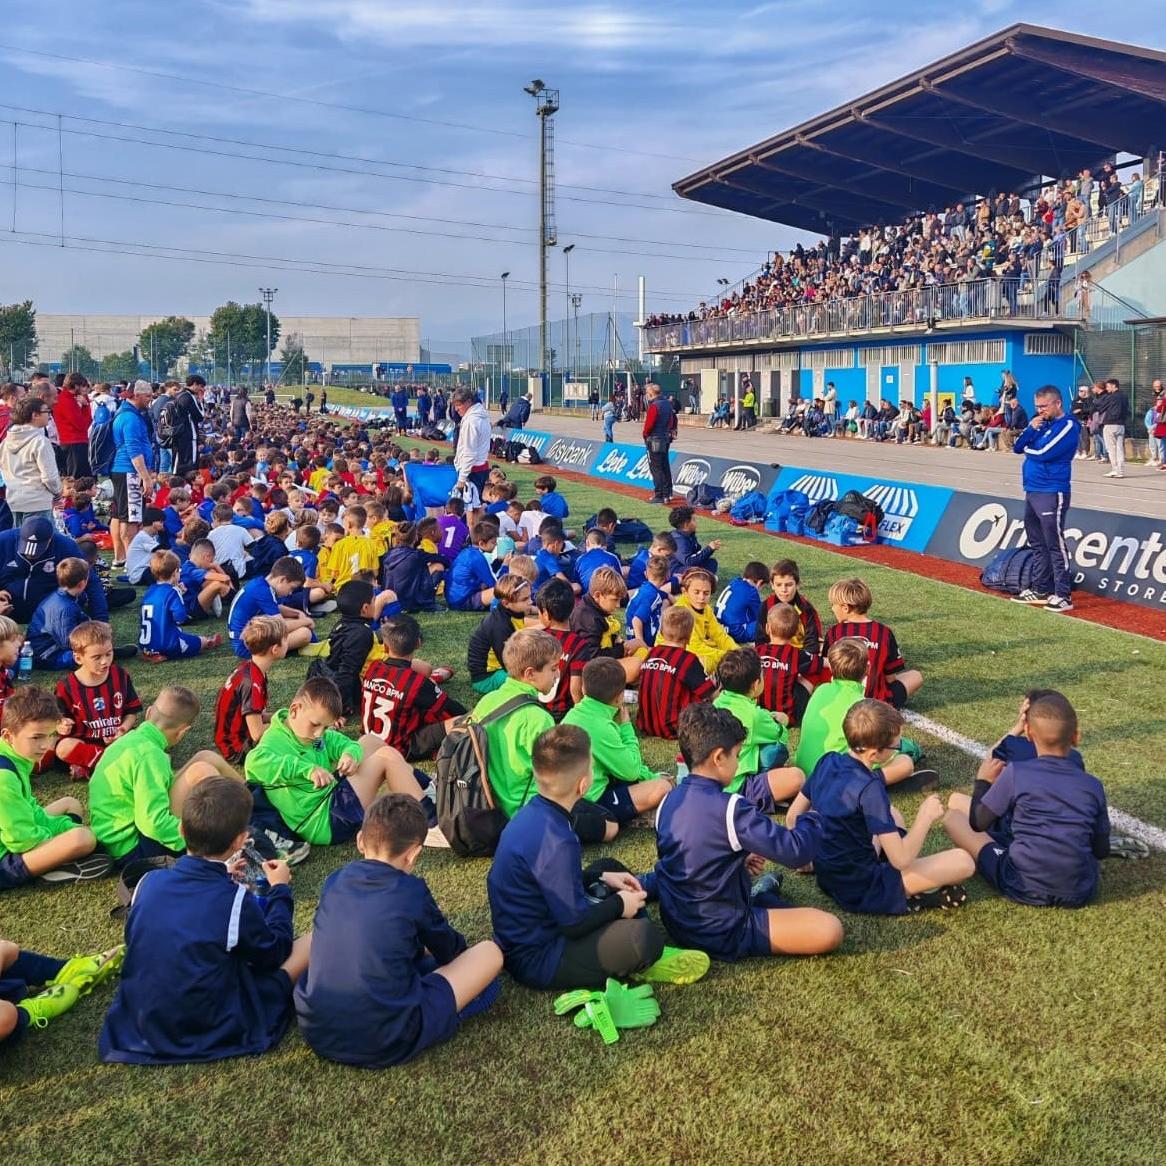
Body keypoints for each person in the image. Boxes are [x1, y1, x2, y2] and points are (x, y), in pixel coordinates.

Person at [98, 777, 312, 1065]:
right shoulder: (234, 899)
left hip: (137, 1026)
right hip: (208, 1026)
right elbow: (273, 952)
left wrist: (221, 875)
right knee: (313, 941)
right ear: (240, 840)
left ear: (181, 829)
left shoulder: (147, 882)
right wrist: (280, 889)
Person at [487, 724, 709, 989]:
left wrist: (601, 877)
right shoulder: (557, 839)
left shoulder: (532, 813)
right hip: (539, 958)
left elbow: (545, 880)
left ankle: (627, 921)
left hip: (533, 930)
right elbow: (574, 923)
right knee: (645, 938)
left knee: (608, 868)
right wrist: (619, 905)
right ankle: (638, 956)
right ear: (584, 785)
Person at [295, 794, 500, 1067]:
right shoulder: (411, 892)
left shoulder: (335, 881)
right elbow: (451, 952)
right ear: (414, 853)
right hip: (385, 1040)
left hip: (316, 1031)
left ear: (360, 840)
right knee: (489, 954)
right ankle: (446, 1012)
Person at [643, 702, 842, 961]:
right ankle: (761, 895)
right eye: (737, 755)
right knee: (830, 929)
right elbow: (796, 851)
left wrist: (735, 860)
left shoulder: (669, 800)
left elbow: (688, 857)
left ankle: (761, 895)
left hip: (677, 922)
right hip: (724, 930)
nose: (738, 764)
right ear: (718, 758)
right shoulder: (731, 808)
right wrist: (815, 815)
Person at [787, 700, 975, 914]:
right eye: (896, 746)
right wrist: (925, 817)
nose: (898, 749)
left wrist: (808, 858)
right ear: (874, 754)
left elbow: (793, 816)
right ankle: (907, 895)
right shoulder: (870, 788)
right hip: (861, 888)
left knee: (892, 814)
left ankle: (901, 876)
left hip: (827, 874)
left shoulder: (827, 761)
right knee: (963, 862)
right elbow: (901, 860)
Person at [942, 693, 1110, 908]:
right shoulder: (1093, 785)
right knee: (963, 805)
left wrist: (983, 781)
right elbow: (1101, 850)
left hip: (1022, 883)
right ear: (1076, 736)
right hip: (1081, 891)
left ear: (1029, 732)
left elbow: (978, 821)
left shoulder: (1017, 772)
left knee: (952, 818)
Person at [243, 676, 433, 848]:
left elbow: (349, 745)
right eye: (315, 724)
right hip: (323, 821)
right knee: (387, 756)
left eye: (325, 727)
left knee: (369, 741)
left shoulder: (313, 733)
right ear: (294, 710)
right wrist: (307, 770)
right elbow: (252, 762)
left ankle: (426, 789)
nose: (319, 734)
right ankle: (430, 824)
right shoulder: (272, 741)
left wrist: (349, 755)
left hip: (330, 797)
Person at [88, 684, 239, 866]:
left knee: (205, 757)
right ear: (183, 732)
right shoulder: (150, 756)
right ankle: (227, 834)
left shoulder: (130, 740)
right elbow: (152, 823)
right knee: (202, 770)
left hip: (114, 838)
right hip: (131, 849)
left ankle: (251, 801)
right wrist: (203, 840)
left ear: (149, 712)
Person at [0, 685, 110, 889]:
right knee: (83, 839)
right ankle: (55, 866)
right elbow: (22, 840)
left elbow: (30, 812)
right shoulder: (4, 777)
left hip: (13, 834)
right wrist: (63, 836)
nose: (46, 745)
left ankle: (58, 858)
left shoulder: (13, 755)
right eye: (36, 737)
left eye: (51, 735)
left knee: (70, 804)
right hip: (5, 860)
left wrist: (65, 828)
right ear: (8, 736)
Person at [793, 637, 928, 790]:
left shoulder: (820, 691)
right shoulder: (861, 706)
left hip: (804, 770)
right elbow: (878, 747)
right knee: (905, 762)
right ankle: (871, 781)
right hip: (836, 777)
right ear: (868, 668)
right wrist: (912, 748)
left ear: (830, 666)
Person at [562, 657, 674, 832]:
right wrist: (626, 726)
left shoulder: (573, 714)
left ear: (583, 688)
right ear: (620, 697)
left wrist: (649, 775)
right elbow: (631, 771)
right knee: (662, 787)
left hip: (568, 797)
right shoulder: (601, 727)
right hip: (590, 802)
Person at [468, 629, 559, 820]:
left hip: (489, 806)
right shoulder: (538, 718)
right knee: (605, 817)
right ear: (530, 673)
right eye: (553, 669)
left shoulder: (487, 700)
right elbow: (554, 777)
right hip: (527, 811)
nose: (558, 674)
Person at [1011, 385, 1081, 613]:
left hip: (1052, 490)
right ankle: (1041, 589)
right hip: (1032, 489)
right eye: (1037, 406)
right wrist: (1030, 431)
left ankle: (1063, 595)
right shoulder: (1041, 423)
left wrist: (1029, 448)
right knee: (1037, 543)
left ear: (1057, 403)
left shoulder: (1068, 425)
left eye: (1044, 406)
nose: (1040, 410)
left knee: (1055, 544)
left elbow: (1043, 453)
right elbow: (1017, 447)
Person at [361, 616, 466, 760]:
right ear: (418, 644)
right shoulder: (417, 683)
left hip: (368, 741)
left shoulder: (373, 668)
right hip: (400, 748)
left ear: (385, 646)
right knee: (459, 719)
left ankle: (438, 676)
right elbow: (452, 708)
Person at [712, 648, 802, 812]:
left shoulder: (716, 704)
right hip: (737, 789)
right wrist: (783, 720)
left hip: (711, 786)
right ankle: (762, 800)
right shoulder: (754, 716)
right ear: (755, 685)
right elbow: (778, 735)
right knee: (794, 773)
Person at [822, 578, 922, 708]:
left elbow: (827, 668)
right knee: (916, 676)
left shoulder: (834, 632)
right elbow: (891, 678)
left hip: (842, 700)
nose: (832, 608)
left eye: (833, 605)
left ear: (845, 608)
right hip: (877, 704)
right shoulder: (884, 632)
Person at [0, 517, 109, 624]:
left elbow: (90, 580)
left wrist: (101, 620)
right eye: (25, 550)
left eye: (37, 551)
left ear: (50, 539)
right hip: (8, 604)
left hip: (49, 608)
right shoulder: (4, 541)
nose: (31, 555)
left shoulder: (66, 546)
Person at [214, 616, 288, 765]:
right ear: (275, 649)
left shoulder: (249, 668)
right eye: (286, 639)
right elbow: (257, 734)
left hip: (232, 740)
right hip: (238, 749)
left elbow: (259, 716)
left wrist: (286, 718)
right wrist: (290, 726)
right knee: (295, 739)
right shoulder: (252, 683)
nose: (288, 642)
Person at [634, 605, 715, 740]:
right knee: (706, 694)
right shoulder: (687, 659)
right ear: (689, 636)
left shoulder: (652, 653)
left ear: (661, 632)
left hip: (645, 724)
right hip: (676, 727)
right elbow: (710, 693)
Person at [139, 550, 223, 662]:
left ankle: (151, 653)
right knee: (199, 640)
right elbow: (180, 617)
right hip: (168, 644)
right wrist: (179, 595)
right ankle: (208, 641)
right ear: (175, 572)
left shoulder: (150, 591)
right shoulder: (173, 591)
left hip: (146, 645)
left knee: (176, 634)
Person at [109, 380, 157, 569]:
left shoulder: (124, 413)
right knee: (131, 518)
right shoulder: (131, 418)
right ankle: (132, 562)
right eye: (148, 396)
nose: (150, 399)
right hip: (130, 472)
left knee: (119, 515)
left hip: (122, 471)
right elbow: (134, 450)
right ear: (136, 395)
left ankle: (121, 557)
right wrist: (146, 477)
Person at [227, 557, 316, 657]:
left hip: (246, 637)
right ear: (282, 579)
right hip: (246, 646)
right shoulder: (263, 591)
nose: (290, 593)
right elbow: (281, 626)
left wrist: (297, 613)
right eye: (292, 588)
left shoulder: (261, 584)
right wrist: (307, 621)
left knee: (294, 621)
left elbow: (275, 607)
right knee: (304, 634)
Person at [0, 395, 61, 525]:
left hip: (14, 500)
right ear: (35, 415)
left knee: (20, 536)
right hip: (37, 501)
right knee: (41, 537)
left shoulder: (5, 442)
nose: (49, 415)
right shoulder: (40, 442)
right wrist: (57, 492)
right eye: (46, 411)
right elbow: (49, 477)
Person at [466, 574, 530, 694]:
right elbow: (508, 663)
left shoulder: (512, 612)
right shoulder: (499, 626)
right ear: (506, 603)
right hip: (487, 678)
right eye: (524, 599)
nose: (530, 602)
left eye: (529, 597)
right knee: (529, 677)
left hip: (500, 670)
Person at [27, 558, 94, 670]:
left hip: (50, 646)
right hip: (47, 654)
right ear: (82, 583)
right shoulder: (65, 608)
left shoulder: (66, 596)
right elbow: (68, 642)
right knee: (92, 653)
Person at [756, 603, 814, 727]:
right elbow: (821, 663)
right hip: (787, 717)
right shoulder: (797, 654)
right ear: (796, 632)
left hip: (757, 712)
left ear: (767, 628)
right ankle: (798, 718)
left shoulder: (756, 651)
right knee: (810, 675)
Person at [676, 568, 735, 673]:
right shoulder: (681, 612)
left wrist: (737, 651)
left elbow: (719, 635)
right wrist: (728, 655)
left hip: (695, 649)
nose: (702, 597)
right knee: (704, 664)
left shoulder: (706, 609)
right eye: (696, 592)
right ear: (685, 592)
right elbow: (693, 647)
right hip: (675, 655)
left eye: (706, 593)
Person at [450, 386, 491, 508]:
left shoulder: (471, 421)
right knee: (475, 507)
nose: (456, 409)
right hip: (479, 468)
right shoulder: (481, 416)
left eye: (459, 405)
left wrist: (462, 479)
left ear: (468, 402)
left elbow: (469, 452)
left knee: (470, 510)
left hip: (472, 471)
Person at [51, 372, 92, 478]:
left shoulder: (68, 398)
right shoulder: (66, 401)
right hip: (73, 443)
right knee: (77, 478)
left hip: (74, 442)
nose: (85, 389)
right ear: (76, 386)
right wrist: (85, 406)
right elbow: (82, 425)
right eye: (83, 386)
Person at [714, 561, 767, 643]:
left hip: (719, 627)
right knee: (768, 622)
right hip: (735, 633)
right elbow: (760, 615)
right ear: (759, 582)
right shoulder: (751, 591)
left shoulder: (735, 582)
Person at [641, 382, 676, 504]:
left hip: (655, 439)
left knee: (656, 468)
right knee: (665, 465)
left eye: (647, 393)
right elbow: (672, 420)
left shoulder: (654, 406)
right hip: (665, 438)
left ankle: (659, 494)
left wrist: (645, 434)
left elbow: (649, 424)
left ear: (651, 393)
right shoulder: (667, 404)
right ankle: (668, 493)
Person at [1095, 376, 1129, 479]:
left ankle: (1115, 469)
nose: (1107, 388)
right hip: (1121, 424)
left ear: (1114, 386)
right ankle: (1120, 470)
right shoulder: (1124, 396)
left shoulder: (1111, 397)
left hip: (1110, 424)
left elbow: (1101, 407)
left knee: (1111, 448)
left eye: (1108, 386)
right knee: (1120, 448)